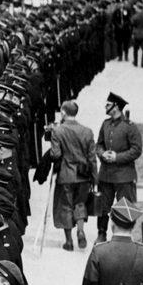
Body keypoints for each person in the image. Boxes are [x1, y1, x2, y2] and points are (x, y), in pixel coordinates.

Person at [49, 100, 97, 249]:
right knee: (80, 204)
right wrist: (95, 178)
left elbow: (55, 154)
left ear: (63, 113)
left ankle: (69, 241)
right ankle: (81, 231)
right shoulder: (87, 131)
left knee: (65, 206)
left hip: (66, 174)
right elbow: (92, 158)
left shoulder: (58, 131)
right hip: (83, 175)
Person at [95, 92, 142, 242]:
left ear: (116, 107)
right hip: (106, 175)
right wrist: (102, 154)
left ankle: (124, 236)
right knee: (103, 206)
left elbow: (136, 150)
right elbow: (99, 144)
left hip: (124, 176)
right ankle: (101, 233)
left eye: (108, 105)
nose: (105, 107)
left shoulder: (130, 127)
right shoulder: (105, 124)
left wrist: (117, 157)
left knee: (125, 207)